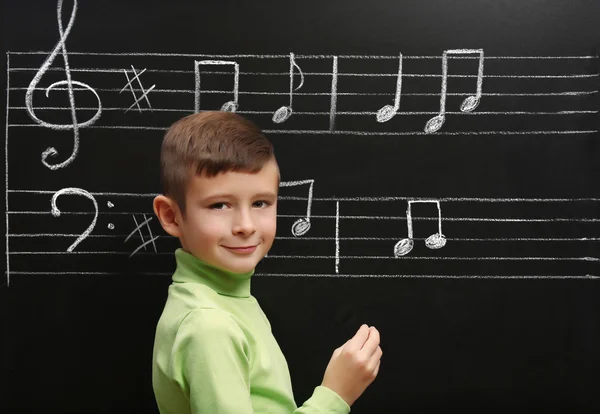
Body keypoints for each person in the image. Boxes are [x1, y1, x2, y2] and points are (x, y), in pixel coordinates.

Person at [151, 111, 382, 413]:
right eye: (219, 205)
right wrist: (335, 395)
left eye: (261, 203)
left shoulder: (223, 301)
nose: (246, 225)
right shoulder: (209, 326)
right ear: (171, 216)